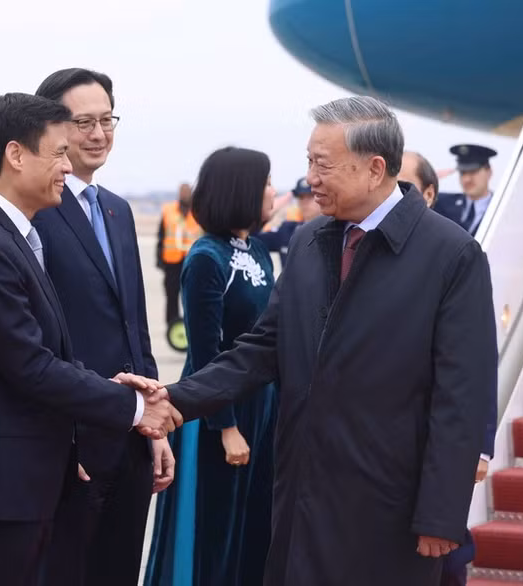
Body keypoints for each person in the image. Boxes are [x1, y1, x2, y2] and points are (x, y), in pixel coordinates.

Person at [164, 96, 497, 586]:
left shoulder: (451, 255)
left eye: (322, 165)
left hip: (388, 507)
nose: (310, 178)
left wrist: (441, 514)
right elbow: (260, 350)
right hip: (300, 491)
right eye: (308, 162)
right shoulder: (310, 240)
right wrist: (173, 399)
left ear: (374, 169)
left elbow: (462, 395)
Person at [0, 92, 179, 586]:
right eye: (58, 153)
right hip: (1, 490)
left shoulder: (16, 237)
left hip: (31, 481)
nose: (69, 166)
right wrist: (132, 407)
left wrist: (114, 386)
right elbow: (30, 366)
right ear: (16, 155)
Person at [32, 68, 173, 586]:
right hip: (71, 444)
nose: (98, 133)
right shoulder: (37, 213)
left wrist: (155, 423)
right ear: (50, 127)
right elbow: (36, 344)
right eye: (83, 122)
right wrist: (61, 442)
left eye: (107, 119)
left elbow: (134, 327)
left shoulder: (116, 209)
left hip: (130, 439)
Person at [146, 146, 279, 586]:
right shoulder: (206, 258)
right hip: (217, 412)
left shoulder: (258, 250)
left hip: (262, 404)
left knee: (253, 523)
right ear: (240, 189)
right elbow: (206, 352)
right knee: (215, 527)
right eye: (265, 182)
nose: (272, 191)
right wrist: (225, 425)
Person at [399, 149, 497, 586]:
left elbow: (476, 361)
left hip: (442, 438)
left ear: (430, 194)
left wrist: (482, 442)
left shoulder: (456, 250)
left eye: (405, 190)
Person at [157, 182, 202, 327]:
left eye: (187, 191)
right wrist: (159, 259)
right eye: (182, 191)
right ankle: (172, 324)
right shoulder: (168, 211)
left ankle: (191, 323)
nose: (184, 194)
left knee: (192, 294)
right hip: (172, 260)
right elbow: (161, 236)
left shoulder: (198, 212)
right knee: (171, 293)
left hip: (192, 260)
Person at [433, 144, 497, 236]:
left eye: (473, 172)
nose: (467, 179)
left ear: (489, 172)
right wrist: (427, 180)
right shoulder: (441, 202)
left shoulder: (501, 207)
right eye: (463, 173)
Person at [257, 177, 321, 267]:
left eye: (310, 196)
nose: (304, 202)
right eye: (301, 197)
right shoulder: (287, 230)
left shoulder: (333, 230)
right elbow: (253, 237)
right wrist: (271, 209)